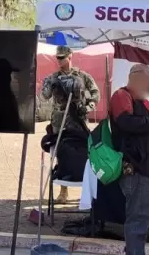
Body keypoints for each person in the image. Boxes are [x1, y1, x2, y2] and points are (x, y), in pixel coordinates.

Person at [108, 63, 149, 255]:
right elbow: (126, 123)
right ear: (139, 77)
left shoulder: (145, 103)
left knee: (141, 220)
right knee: (138, 221)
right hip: (136, 168)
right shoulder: (122, 96)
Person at [40, 46, 99, 200]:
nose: (59, 60)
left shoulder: (82, 76)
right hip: (59, 119)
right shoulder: (53, 77)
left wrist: (88, 107)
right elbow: (44, 96)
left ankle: (85, 190)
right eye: (57, 57)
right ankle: (63, 190)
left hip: (78, 118)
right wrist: (49, 84)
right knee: (61, 153)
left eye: (62, 57)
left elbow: (95, 93)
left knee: (82, 151)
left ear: (70, 56)